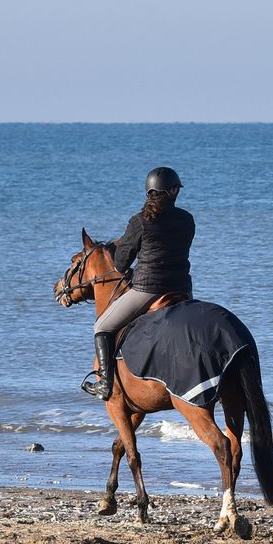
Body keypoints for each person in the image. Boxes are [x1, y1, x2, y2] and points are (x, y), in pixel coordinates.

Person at [89, 166, 195, 400]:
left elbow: (120, 264)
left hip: (148, 290)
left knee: (102, 327)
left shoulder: (139, 221)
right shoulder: (187, 220)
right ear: (174, 191)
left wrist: (126, 244)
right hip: (182, 290)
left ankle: (104, 385)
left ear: (149, 192)